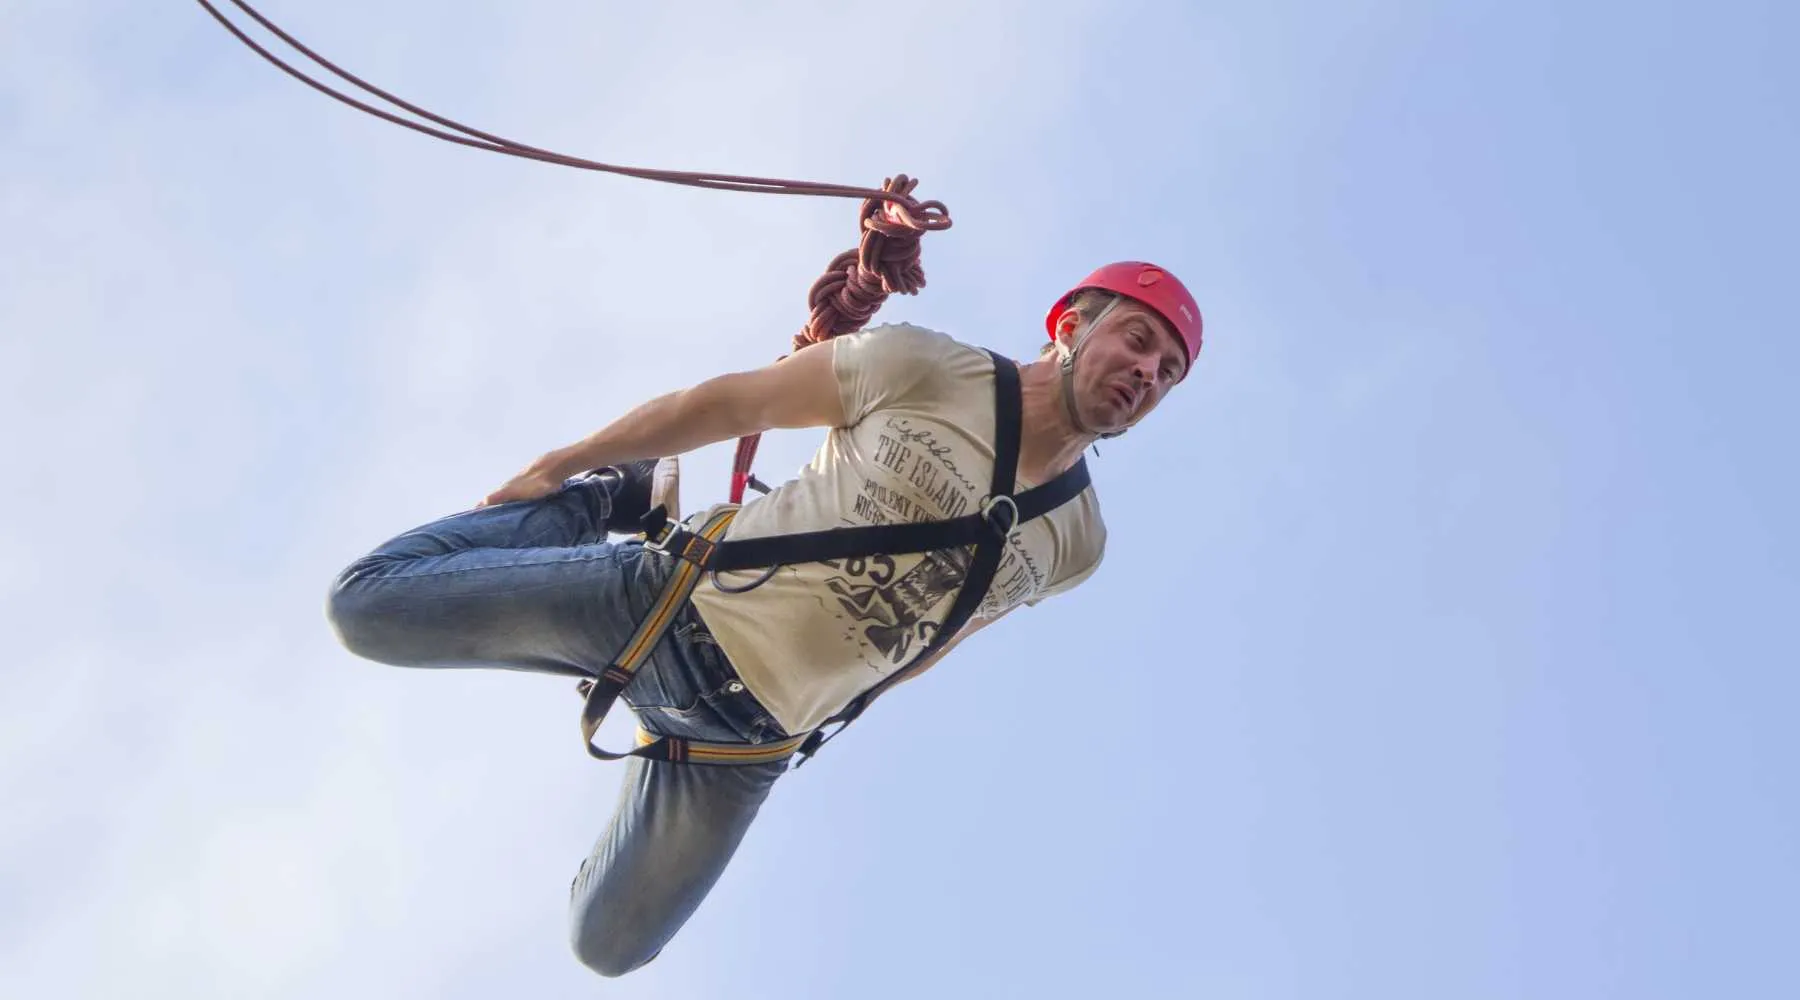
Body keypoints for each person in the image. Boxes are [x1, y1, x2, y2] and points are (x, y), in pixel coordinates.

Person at [325, 261, 1205, 977]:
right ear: (1073, 324)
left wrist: (821, 689)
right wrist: (564, 466)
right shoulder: (929, 368)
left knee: (606, 946)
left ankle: (656, 746)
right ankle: (611, 504)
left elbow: (940, 640)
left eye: (1166, 373)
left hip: (744, 743)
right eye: (1137, 341)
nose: (1145, 374)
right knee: (368, 607)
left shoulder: (1076, 543)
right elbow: (726, 405)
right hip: (672, 605)